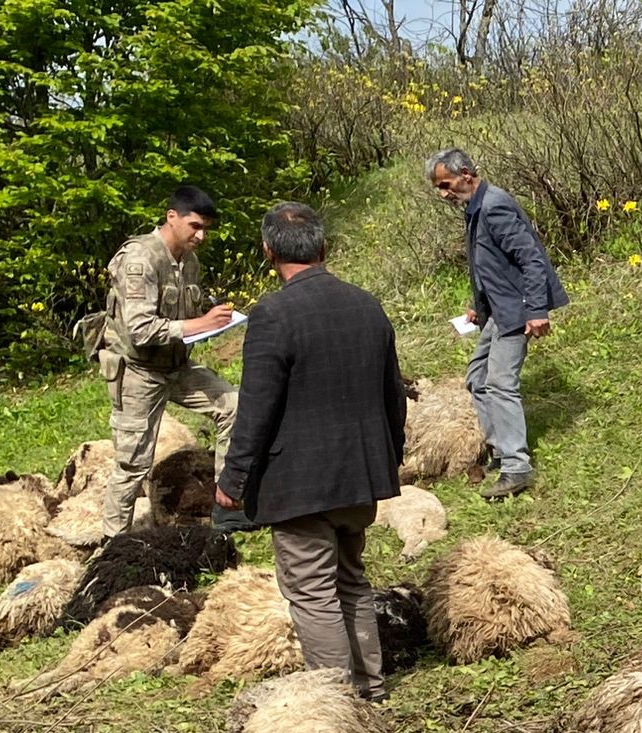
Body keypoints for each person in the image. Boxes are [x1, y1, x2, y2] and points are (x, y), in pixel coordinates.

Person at [214, 203, 406, 703]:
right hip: (361, 475)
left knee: (313, 592)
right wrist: (390, 459)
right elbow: (393, 395)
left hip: (301, 484)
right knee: (351, 581)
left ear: (268, 251)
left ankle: (335, 701)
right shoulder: (367, 305)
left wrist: (232, 482)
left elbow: (254, 411)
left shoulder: (273, 315)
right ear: (323, 248)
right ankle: (371, 688)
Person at [425, 148, 569, 501]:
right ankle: (502, 449)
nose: (443, 193)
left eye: (445, 185)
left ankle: (516, 466)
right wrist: (478, 308)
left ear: (466, 175)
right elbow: (490, 266)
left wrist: (537, 309)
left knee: (501, 384)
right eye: (438, 187)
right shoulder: (475, 207)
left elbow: (531, 259)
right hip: (498, 310)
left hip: (517, 310)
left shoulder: (494, 206)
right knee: (477, 379)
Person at [95, 186, 239, 536]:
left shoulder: (189, 262)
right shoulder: (141, 260)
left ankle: (227, 504)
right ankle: (113, 541)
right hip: (139, 372)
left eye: (205, 228)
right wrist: (199, 324)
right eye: (194, 226)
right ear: (171, 217)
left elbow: (184, 317)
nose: (201, 235)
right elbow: (141, 330)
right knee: (133, 463)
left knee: (234, 404)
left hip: (178, 367)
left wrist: (213, 320)